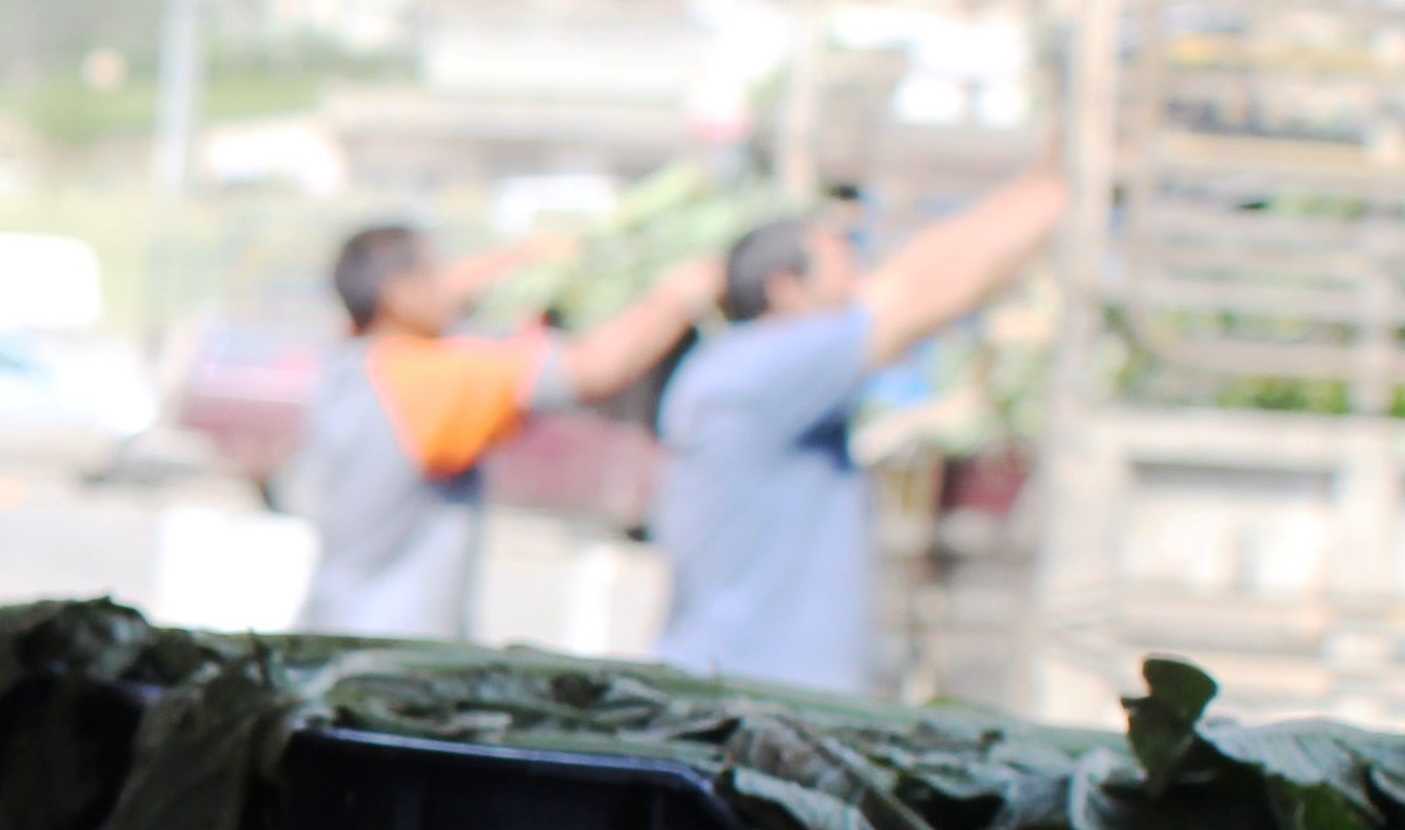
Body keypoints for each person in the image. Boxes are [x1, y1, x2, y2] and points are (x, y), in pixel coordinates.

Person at [652, 160, 1072, 693]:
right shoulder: (761, 368)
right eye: (843, 270)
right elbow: (922, 290)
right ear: (786, 289)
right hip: (749, 696)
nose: (858, 284)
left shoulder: (732, 369)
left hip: (747, 687)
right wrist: (1063, 183)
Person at [294, 222, 714, 641]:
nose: (450, 285)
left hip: (333, 622)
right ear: (400, 291)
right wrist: (677, 295)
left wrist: (524, 256)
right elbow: (594, 367)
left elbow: (446, 291)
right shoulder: (425, 380)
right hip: (395, 649)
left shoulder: (351, 359)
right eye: (436, 273)